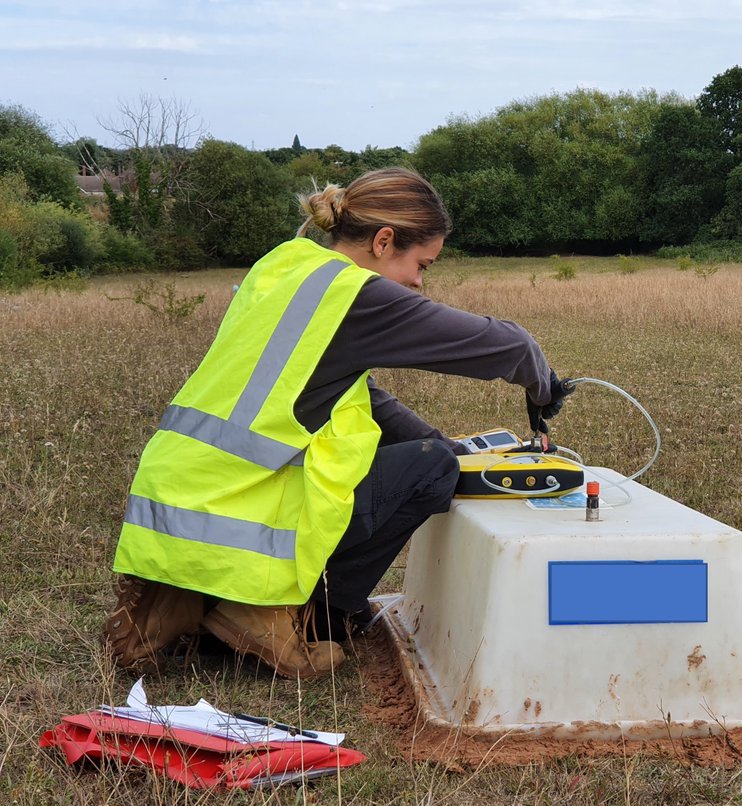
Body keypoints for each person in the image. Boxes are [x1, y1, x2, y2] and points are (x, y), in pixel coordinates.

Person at [104, 167, 573, 678]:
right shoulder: (356, 295)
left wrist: (446, 444)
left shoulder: (283, 267)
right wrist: (544, 388)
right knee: (433, 469)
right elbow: (505, 345)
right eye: (422, 264)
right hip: (237, 513)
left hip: (177, 499)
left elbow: (361, 396)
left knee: (434, 455)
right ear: (384, 240)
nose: (419, 282)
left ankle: (190, 600)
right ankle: (301, 617)